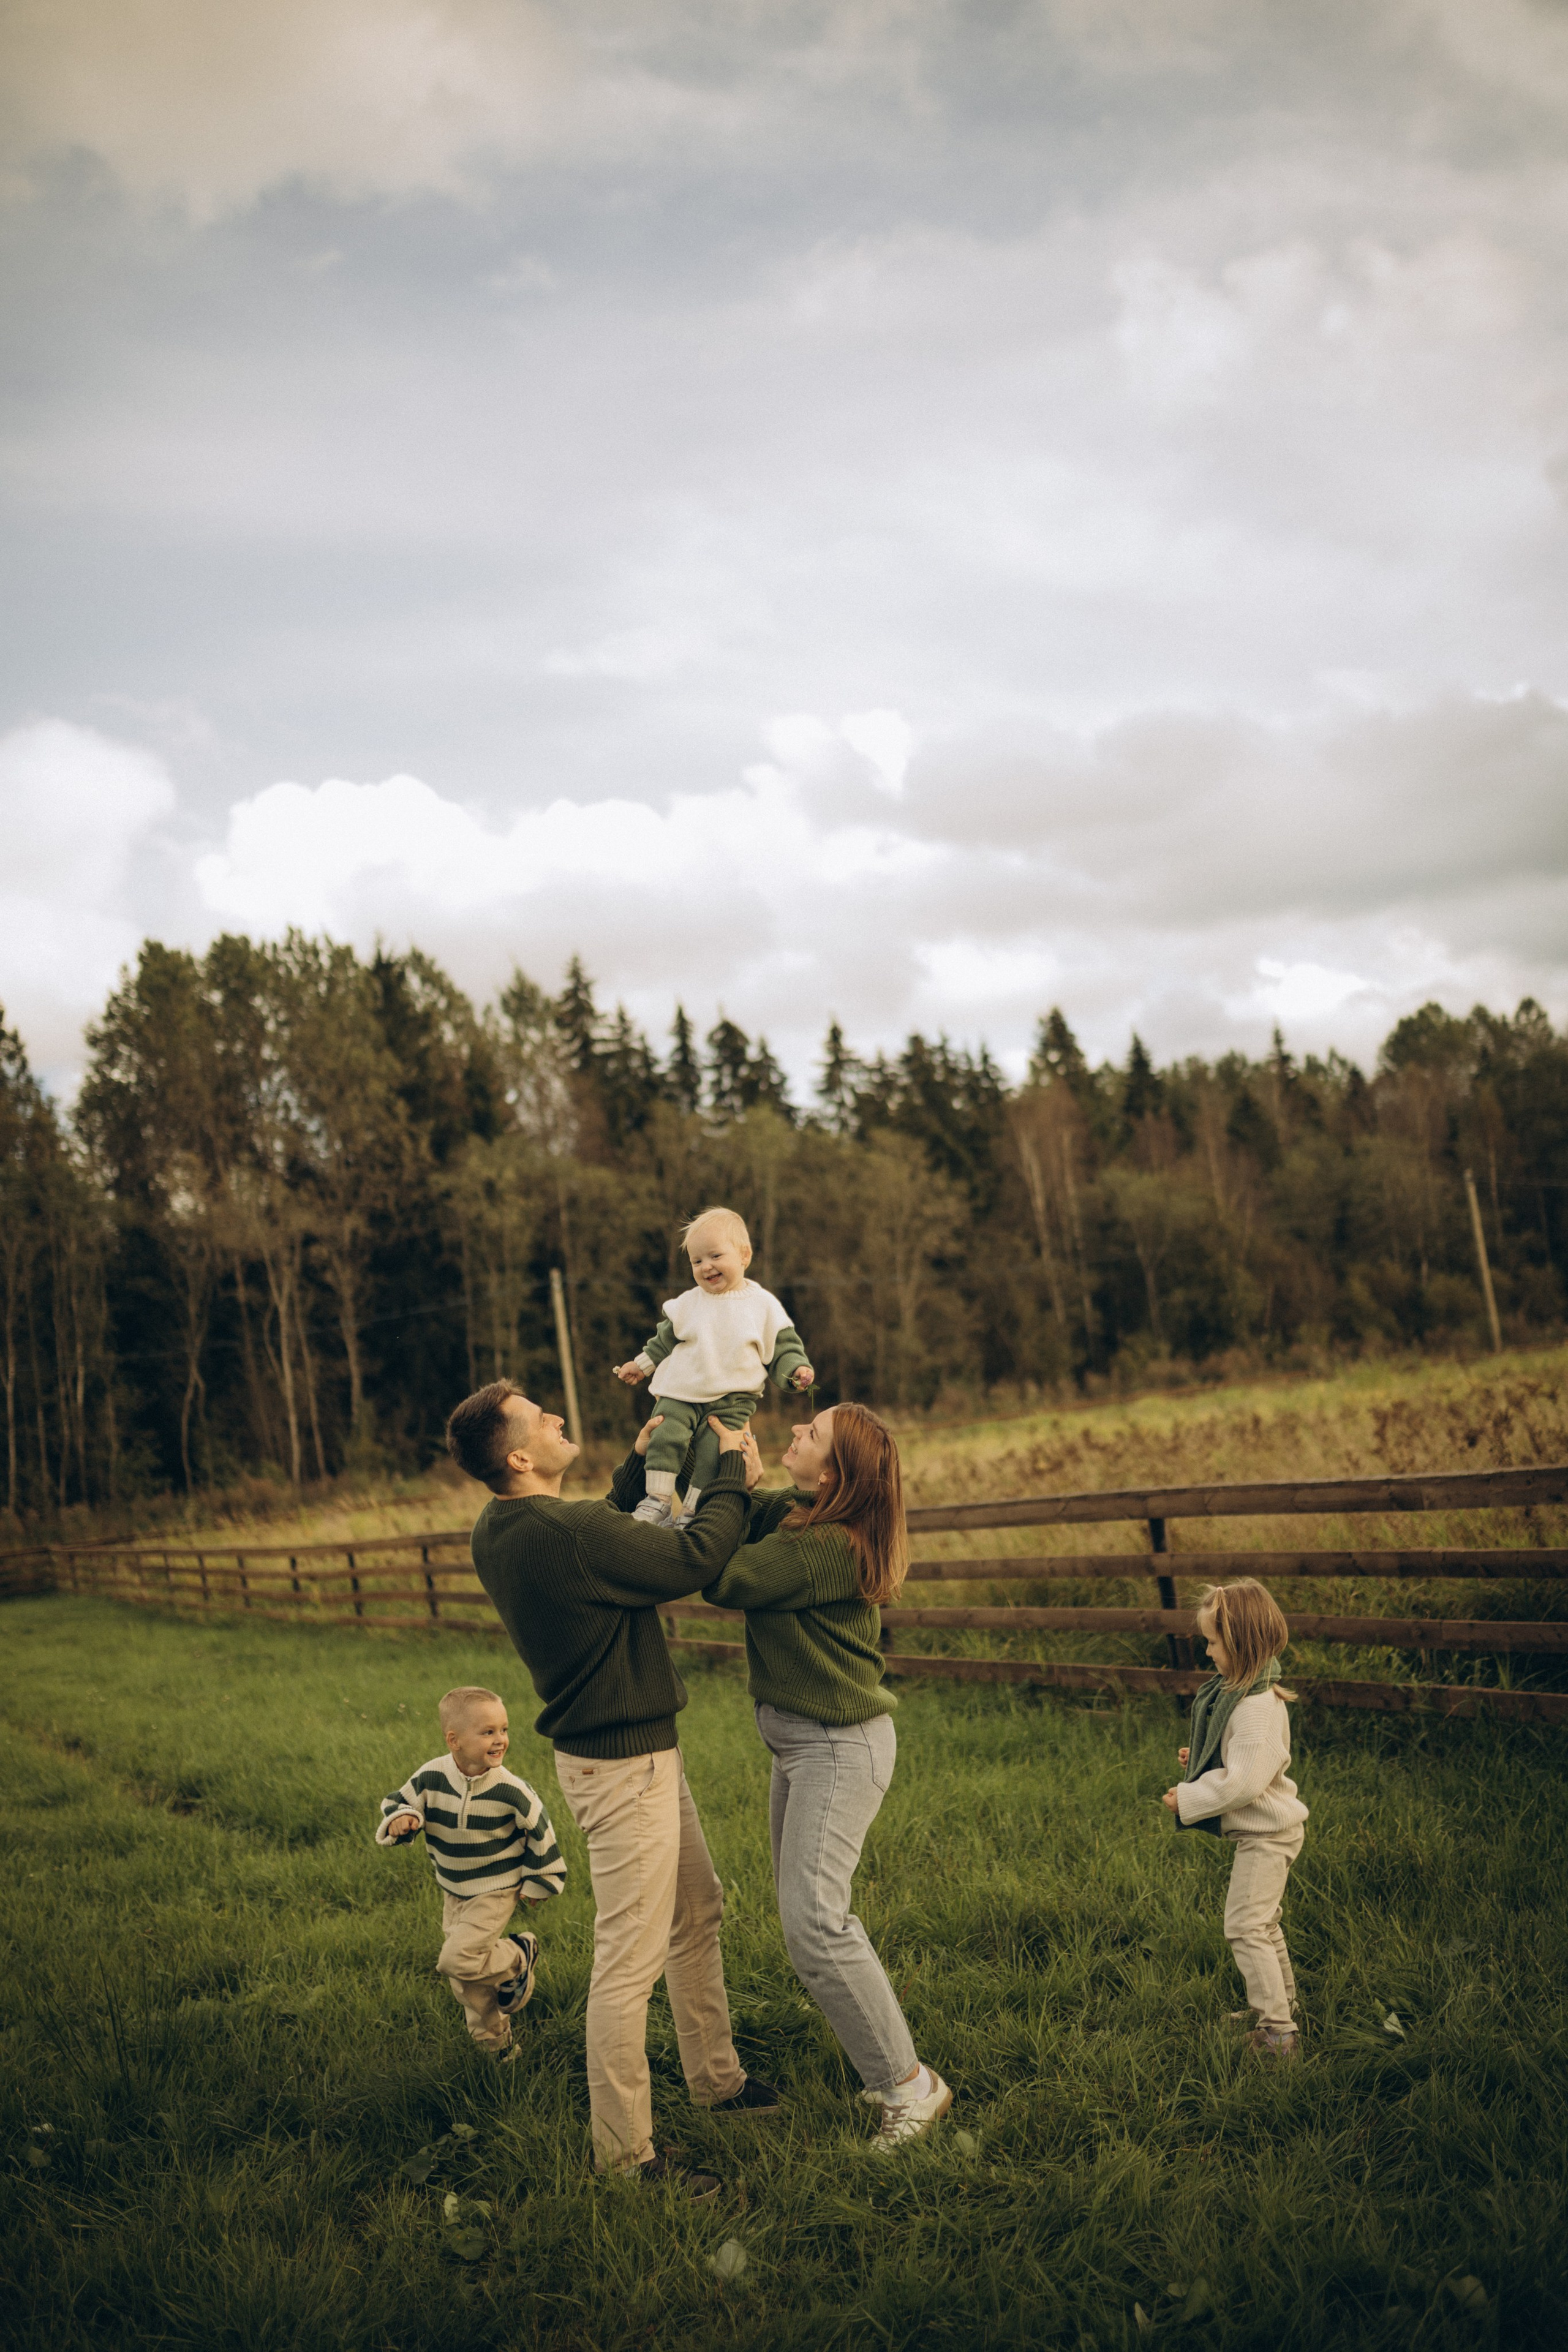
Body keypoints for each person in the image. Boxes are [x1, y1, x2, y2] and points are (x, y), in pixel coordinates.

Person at [445, 1378, 782, 2198]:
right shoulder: (568, 1532)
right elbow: (693, 1558)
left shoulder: (505, 1526)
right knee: (628, 1962)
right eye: (540, 1418)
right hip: (626, 1768)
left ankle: (717, 2082)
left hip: (628, 1755)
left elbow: (597, 1534)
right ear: (519, 1457)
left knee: (696, 1910)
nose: (558, 1417)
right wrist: (733, 1476)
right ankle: (627, 2160)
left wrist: (635, 1472)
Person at [701, 1400, 952, 2149]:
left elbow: (726, 1579)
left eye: (811, 1434)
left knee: (816, 1923)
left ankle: (909, 2086)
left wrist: (729, 1486)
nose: (794, 1432)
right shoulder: (807, 1518)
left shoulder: (824, 1547)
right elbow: (762, 1512)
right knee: (805, 1920)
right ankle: (890, 2071)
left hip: (836, 1748)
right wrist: (744, 1484)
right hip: (804, 1741)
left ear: (835, 1474)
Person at [1161, 1578, 1309, 2060]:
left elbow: (1242, 1783)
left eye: (1213, 1642)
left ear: (1241, 1643)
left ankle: (1279, 2035)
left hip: (1268, 1837)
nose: (1207, 1652)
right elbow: (1242, 1761)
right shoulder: (1249, 1693)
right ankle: (1281, 2006)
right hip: (1268, 1832)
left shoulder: (1255, 1710)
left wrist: (1188, 1797)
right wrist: (1206, 1757)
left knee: (1244, 1927)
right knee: (1263, 1924)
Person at [378, 1684, 567, 2060]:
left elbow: (541, 1831)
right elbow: (398, 1802)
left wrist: (540, 1881)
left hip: (495, 1889)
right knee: (466, 1980)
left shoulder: (511, 1790)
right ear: (455, 1741)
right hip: (454, 1887)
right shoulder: (432, 1776)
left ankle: (517, 1956)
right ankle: (497, 2046)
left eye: (504, 1730)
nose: (500, 1740)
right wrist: (403, 1819)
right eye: (488, 1732)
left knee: (457, 1961)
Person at [613, 1206, 815, 1523]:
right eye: (697, 1261)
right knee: (664, 1433)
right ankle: (658, 1501)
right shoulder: (689, 1304)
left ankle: (694, 1511)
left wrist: (795, 1372)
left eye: (715, 1256)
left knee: (715, 1455)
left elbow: (782, 1349)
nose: (706, 1266)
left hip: (732, 1401)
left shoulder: (762, 1306)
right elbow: (663, 1340)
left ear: (745, 1255)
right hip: (682, 1392)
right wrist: (641, 1366)